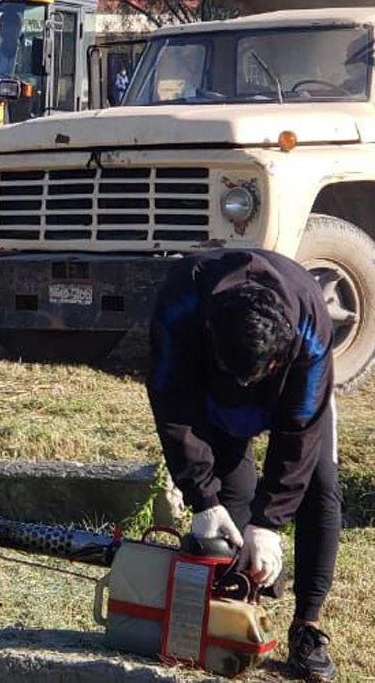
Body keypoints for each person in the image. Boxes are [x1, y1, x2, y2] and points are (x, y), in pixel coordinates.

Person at [147, 249, 340, 681]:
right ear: (212, 329)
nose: (244, 385)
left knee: (321, 485)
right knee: (228, 514)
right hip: (209, 397)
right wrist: (202, 500)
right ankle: (238, 615)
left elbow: (300, 431)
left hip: (293, 387)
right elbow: (171, 402)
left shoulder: (308, 324)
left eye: (251, 376)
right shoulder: (183, 300)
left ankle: (306, 627)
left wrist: (270, 522)